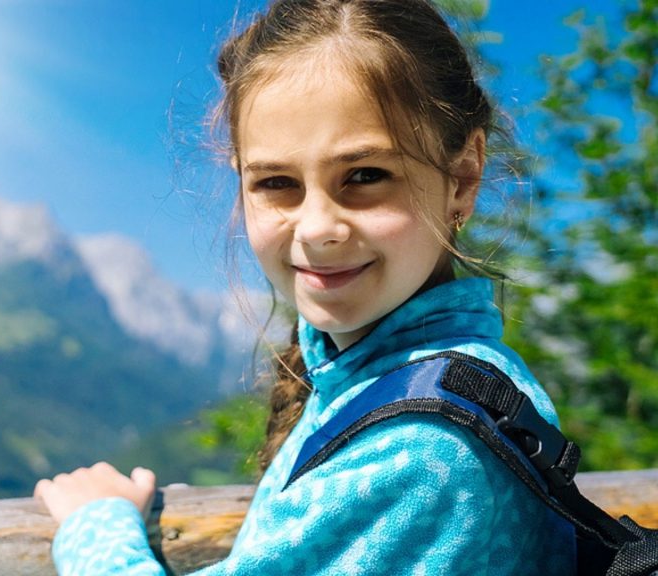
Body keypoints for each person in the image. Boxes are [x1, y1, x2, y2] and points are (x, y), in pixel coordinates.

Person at [34, 0, 576, 573]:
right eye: (277, 183)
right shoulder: (402, 383)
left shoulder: (424, 452)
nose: (318, 229)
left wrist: (95, 529)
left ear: (462, 178)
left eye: (366, 176)